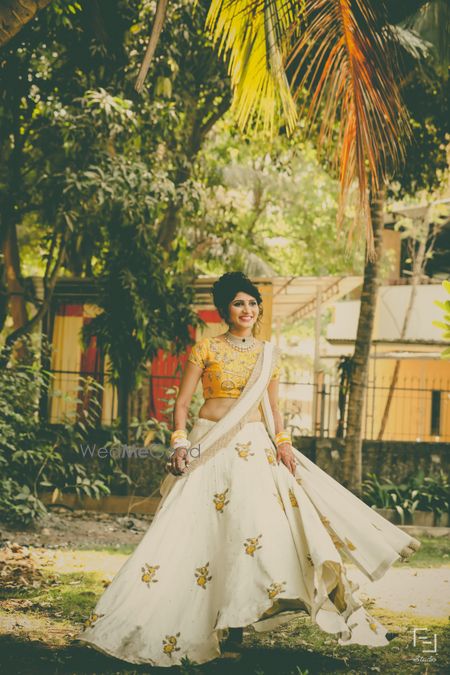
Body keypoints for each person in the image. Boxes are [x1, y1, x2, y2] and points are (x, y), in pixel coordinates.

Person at [77, 271, 421, 667]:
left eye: (252, 303)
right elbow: (183, 404)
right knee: (196, 532)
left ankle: (239, 622)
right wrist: (179, 441)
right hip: (208, 446)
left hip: (255, 449)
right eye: (239, 303)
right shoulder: (205, 349)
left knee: (250, 532)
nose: (247, 310)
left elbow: (273, 410)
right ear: (225, 309)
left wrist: (285, 445)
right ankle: (181, 620)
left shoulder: (268, 354)